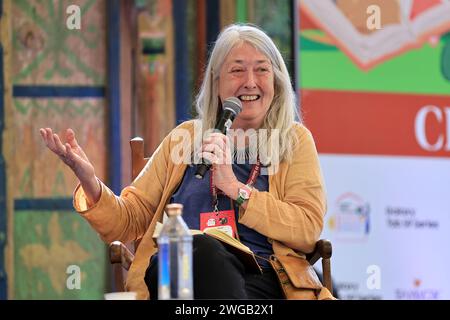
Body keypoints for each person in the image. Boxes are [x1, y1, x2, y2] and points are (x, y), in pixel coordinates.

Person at [40, 23, 331, 300]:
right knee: (202, 249)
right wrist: (89, 182)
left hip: (261, 280)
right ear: (217, 83)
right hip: (175, 274)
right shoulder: (186, 138)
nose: (250, 82)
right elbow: (127, 221)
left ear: (277, 81)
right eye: (237, 70)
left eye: (262, 70)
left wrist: (235, 188)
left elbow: (306, 230)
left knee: (212, 263)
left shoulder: (293, 141)